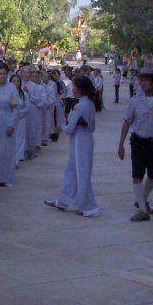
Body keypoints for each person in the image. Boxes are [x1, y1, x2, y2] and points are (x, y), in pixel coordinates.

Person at [117, 64, 153, 222]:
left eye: (146, 80)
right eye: (141, 80)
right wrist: (121, 144)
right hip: (138, 142)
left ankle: (142, 200)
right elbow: (126, 122)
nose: (143, 83)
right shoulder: (135, 101)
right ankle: (143, 210)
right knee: (137, 175)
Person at [45, 76, 99, 217]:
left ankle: (87, 206)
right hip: (87, 140)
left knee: (81, 174)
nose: (72, 90)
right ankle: (64, 201)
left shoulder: (80, 106)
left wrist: (61, 126)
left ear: (80, 89)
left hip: (79, 143)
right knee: (72, 172)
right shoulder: (90, 104)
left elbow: (69, 129)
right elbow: (92, 126)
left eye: (74, 87)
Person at [0, 63, 22, 187]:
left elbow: (16, 108)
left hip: (7, 119)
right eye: (0, 74)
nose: (2, 76)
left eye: (4, 74)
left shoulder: (12, 88)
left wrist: (11, 125)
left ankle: (6, 177)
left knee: (6, 150)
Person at [9, 73, 29, 167]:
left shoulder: (24, 94)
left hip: (20, 120)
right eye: (14, 81)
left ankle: (16, 160)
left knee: (19, 140)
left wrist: (19, 113)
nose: (16, 83)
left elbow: (27, 107)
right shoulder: (7, 93)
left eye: (18, 81)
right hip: (9, 120)